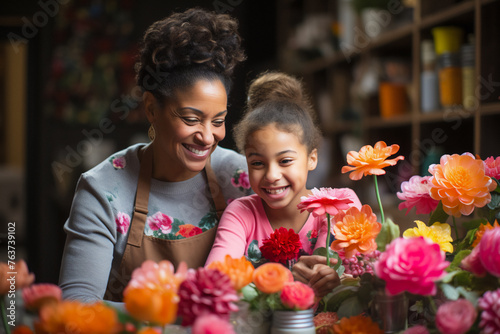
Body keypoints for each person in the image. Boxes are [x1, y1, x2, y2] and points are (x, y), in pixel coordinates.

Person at [58, 7, 250, 303]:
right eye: (191, 119)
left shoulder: (241, 178)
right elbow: (77, 306)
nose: (208, 136)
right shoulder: (103, 191)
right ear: (150, 108)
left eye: (219, 120)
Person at [205, 72, 362, 297]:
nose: (271, 175)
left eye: (285, 161)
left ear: (312, 158)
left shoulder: (341, 204)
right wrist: (285, 281)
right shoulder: (241, 214)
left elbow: (361, 275)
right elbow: (213, 282)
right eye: (257, 162)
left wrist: (335, 278)